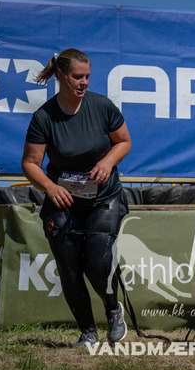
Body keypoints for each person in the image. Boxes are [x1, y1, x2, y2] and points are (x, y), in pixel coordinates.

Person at [21, 48, 132, 347]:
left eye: (87, 77)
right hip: (63, 200)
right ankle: (87, 331)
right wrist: (50, 187)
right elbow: (30, 163)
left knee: (97, 262)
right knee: (69, 269)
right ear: (60, 75)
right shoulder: (44, 117)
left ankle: (113, 310)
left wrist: (107, 162)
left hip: (103, 198)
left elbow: (123, 142)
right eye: (77, 77)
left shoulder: (102, 106)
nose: (84, 83)